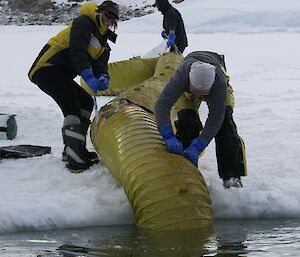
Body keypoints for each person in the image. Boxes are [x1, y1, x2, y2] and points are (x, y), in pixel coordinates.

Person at [28, 1, 119, 172]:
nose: (108, 20)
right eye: (107, 16)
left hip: (61, 74)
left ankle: (75, 148)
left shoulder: (103, 38)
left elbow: (100, 62)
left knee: (85, 102)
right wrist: (86, 74)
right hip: (47, 68)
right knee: (72, 107)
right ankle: (74, 159)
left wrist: (102, 75)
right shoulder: (84, 22)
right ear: (100, 12)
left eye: (112, 19)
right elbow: (77, 50)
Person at [154, 51, 247, 188]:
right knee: (186, 122)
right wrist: (167, 135)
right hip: (187, 87)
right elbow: (162, 105)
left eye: (203, 94)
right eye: (196, 91)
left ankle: (232, 176)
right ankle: (186, 171)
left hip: (216, 86)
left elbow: (216, 119)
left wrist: (199, 145)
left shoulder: (219, 84)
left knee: (225, 126)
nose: (199, 96)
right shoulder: (181, 77)